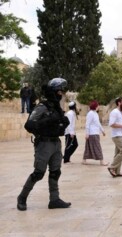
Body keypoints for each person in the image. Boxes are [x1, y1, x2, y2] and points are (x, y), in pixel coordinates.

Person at [17, 78, 71, 211]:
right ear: (53, 92)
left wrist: (63, 122)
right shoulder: (42, 107)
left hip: (56, 143)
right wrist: (47, 121)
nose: (61, 94)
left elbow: (58, 124)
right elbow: (29, 125)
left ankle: (54, 199)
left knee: (55, 172)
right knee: (38, 173)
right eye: (59, 91)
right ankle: (22, 197)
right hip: (44, 144)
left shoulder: (57, 108)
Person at [107, 97, 122, 177]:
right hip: (116, 135)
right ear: (119, 103)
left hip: (121, 134)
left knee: (118, 153)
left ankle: (117, 172)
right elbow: (112, 124)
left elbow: (120, 124)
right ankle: (112, 167)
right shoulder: (115, 112)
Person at [82, 101, 108, 166]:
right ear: (95, 106)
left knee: (88, 147)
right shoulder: (90, 113)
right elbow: (87, 124)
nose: (98, 106)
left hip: (95, 133)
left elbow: (98, 123)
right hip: (92, 133)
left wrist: (102, 130)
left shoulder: (95, 113)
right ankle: (102, 161)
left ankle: (84, 160)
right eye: (98, 105)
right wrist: (87, 133)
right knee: (97, 147)